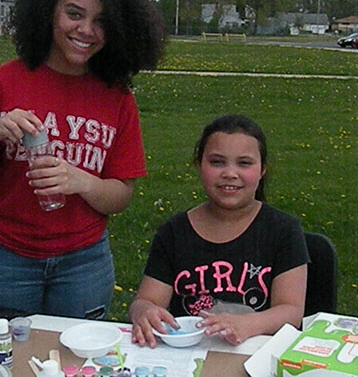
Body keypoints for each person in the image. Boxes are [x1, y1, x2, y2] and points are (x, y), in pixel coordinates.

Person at [0, 0, 165, 319]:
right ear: (49, 12)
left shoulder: (117, 97)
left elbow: (120, 196)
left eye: (101, 21)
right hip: (5, 259)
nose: (86, 30)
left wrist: (81, 182)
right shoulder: (2, 82)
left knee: (75, 365)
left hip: (84, 264)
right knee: (6, 359)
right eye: (75, 14)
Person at [129, 114, 309, 347]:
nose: (230, 173)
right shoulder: (174, 233)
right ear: (199, 165)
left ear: (263, 169)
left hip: (253, 353)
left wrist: (247, 324)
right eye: (217, 162)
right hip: (186, 355)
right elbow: (147, 300)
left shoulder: (283, 231)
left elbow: (291, 311)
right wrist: (142, 311)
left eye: (244, 163)